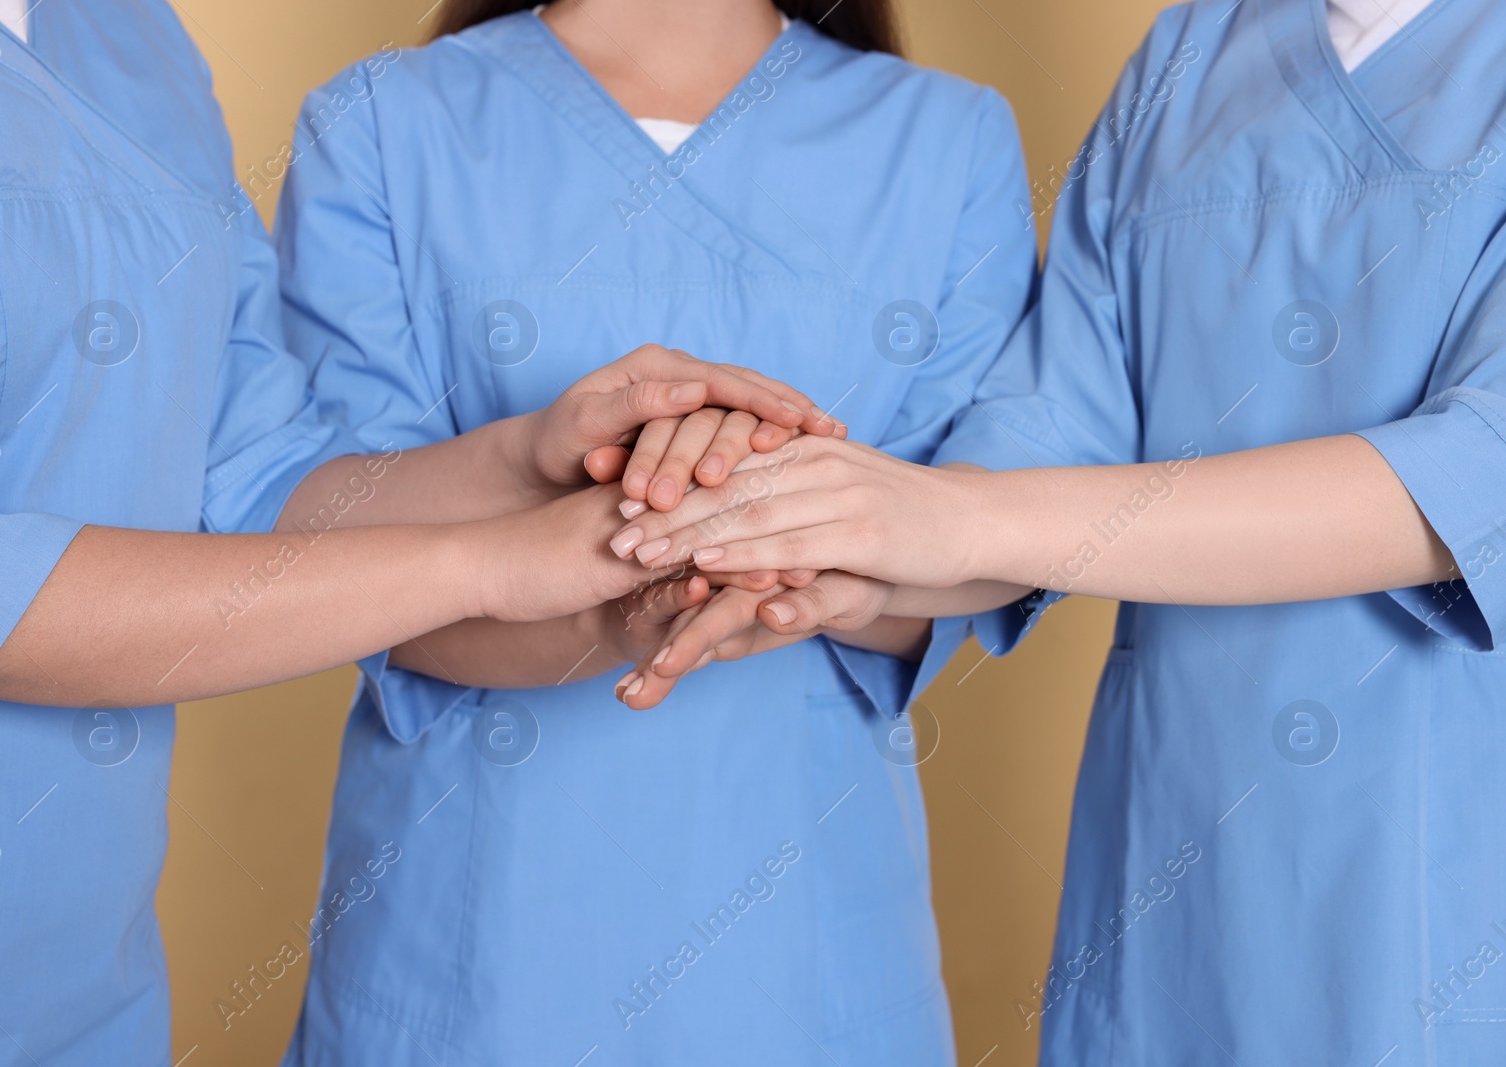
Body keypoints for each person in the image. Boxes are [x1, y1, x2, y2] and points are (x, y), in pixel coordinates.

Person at [0, 2, 839, 1062]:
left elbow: (257, 481)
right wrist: (491, 561)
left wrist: (533, 460)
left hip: (80, 982)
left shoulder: (130, 40)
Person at [613, 0, 1506, 1062]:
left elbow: (1465, 482)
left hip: (1441, 877)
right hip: (1175, 881)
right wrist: (854, 575)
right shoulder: (1190, 53)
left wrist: (954, 519)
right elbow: (1039, 451)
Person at [272, 0, 1034, 1062]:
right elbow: (322, 548)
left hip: (806, 956)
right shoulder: (381, 123)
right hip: (470, 956)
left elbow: (985, 545)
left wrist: (763, 515)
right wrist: (633, 586)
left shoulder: (948, 138)